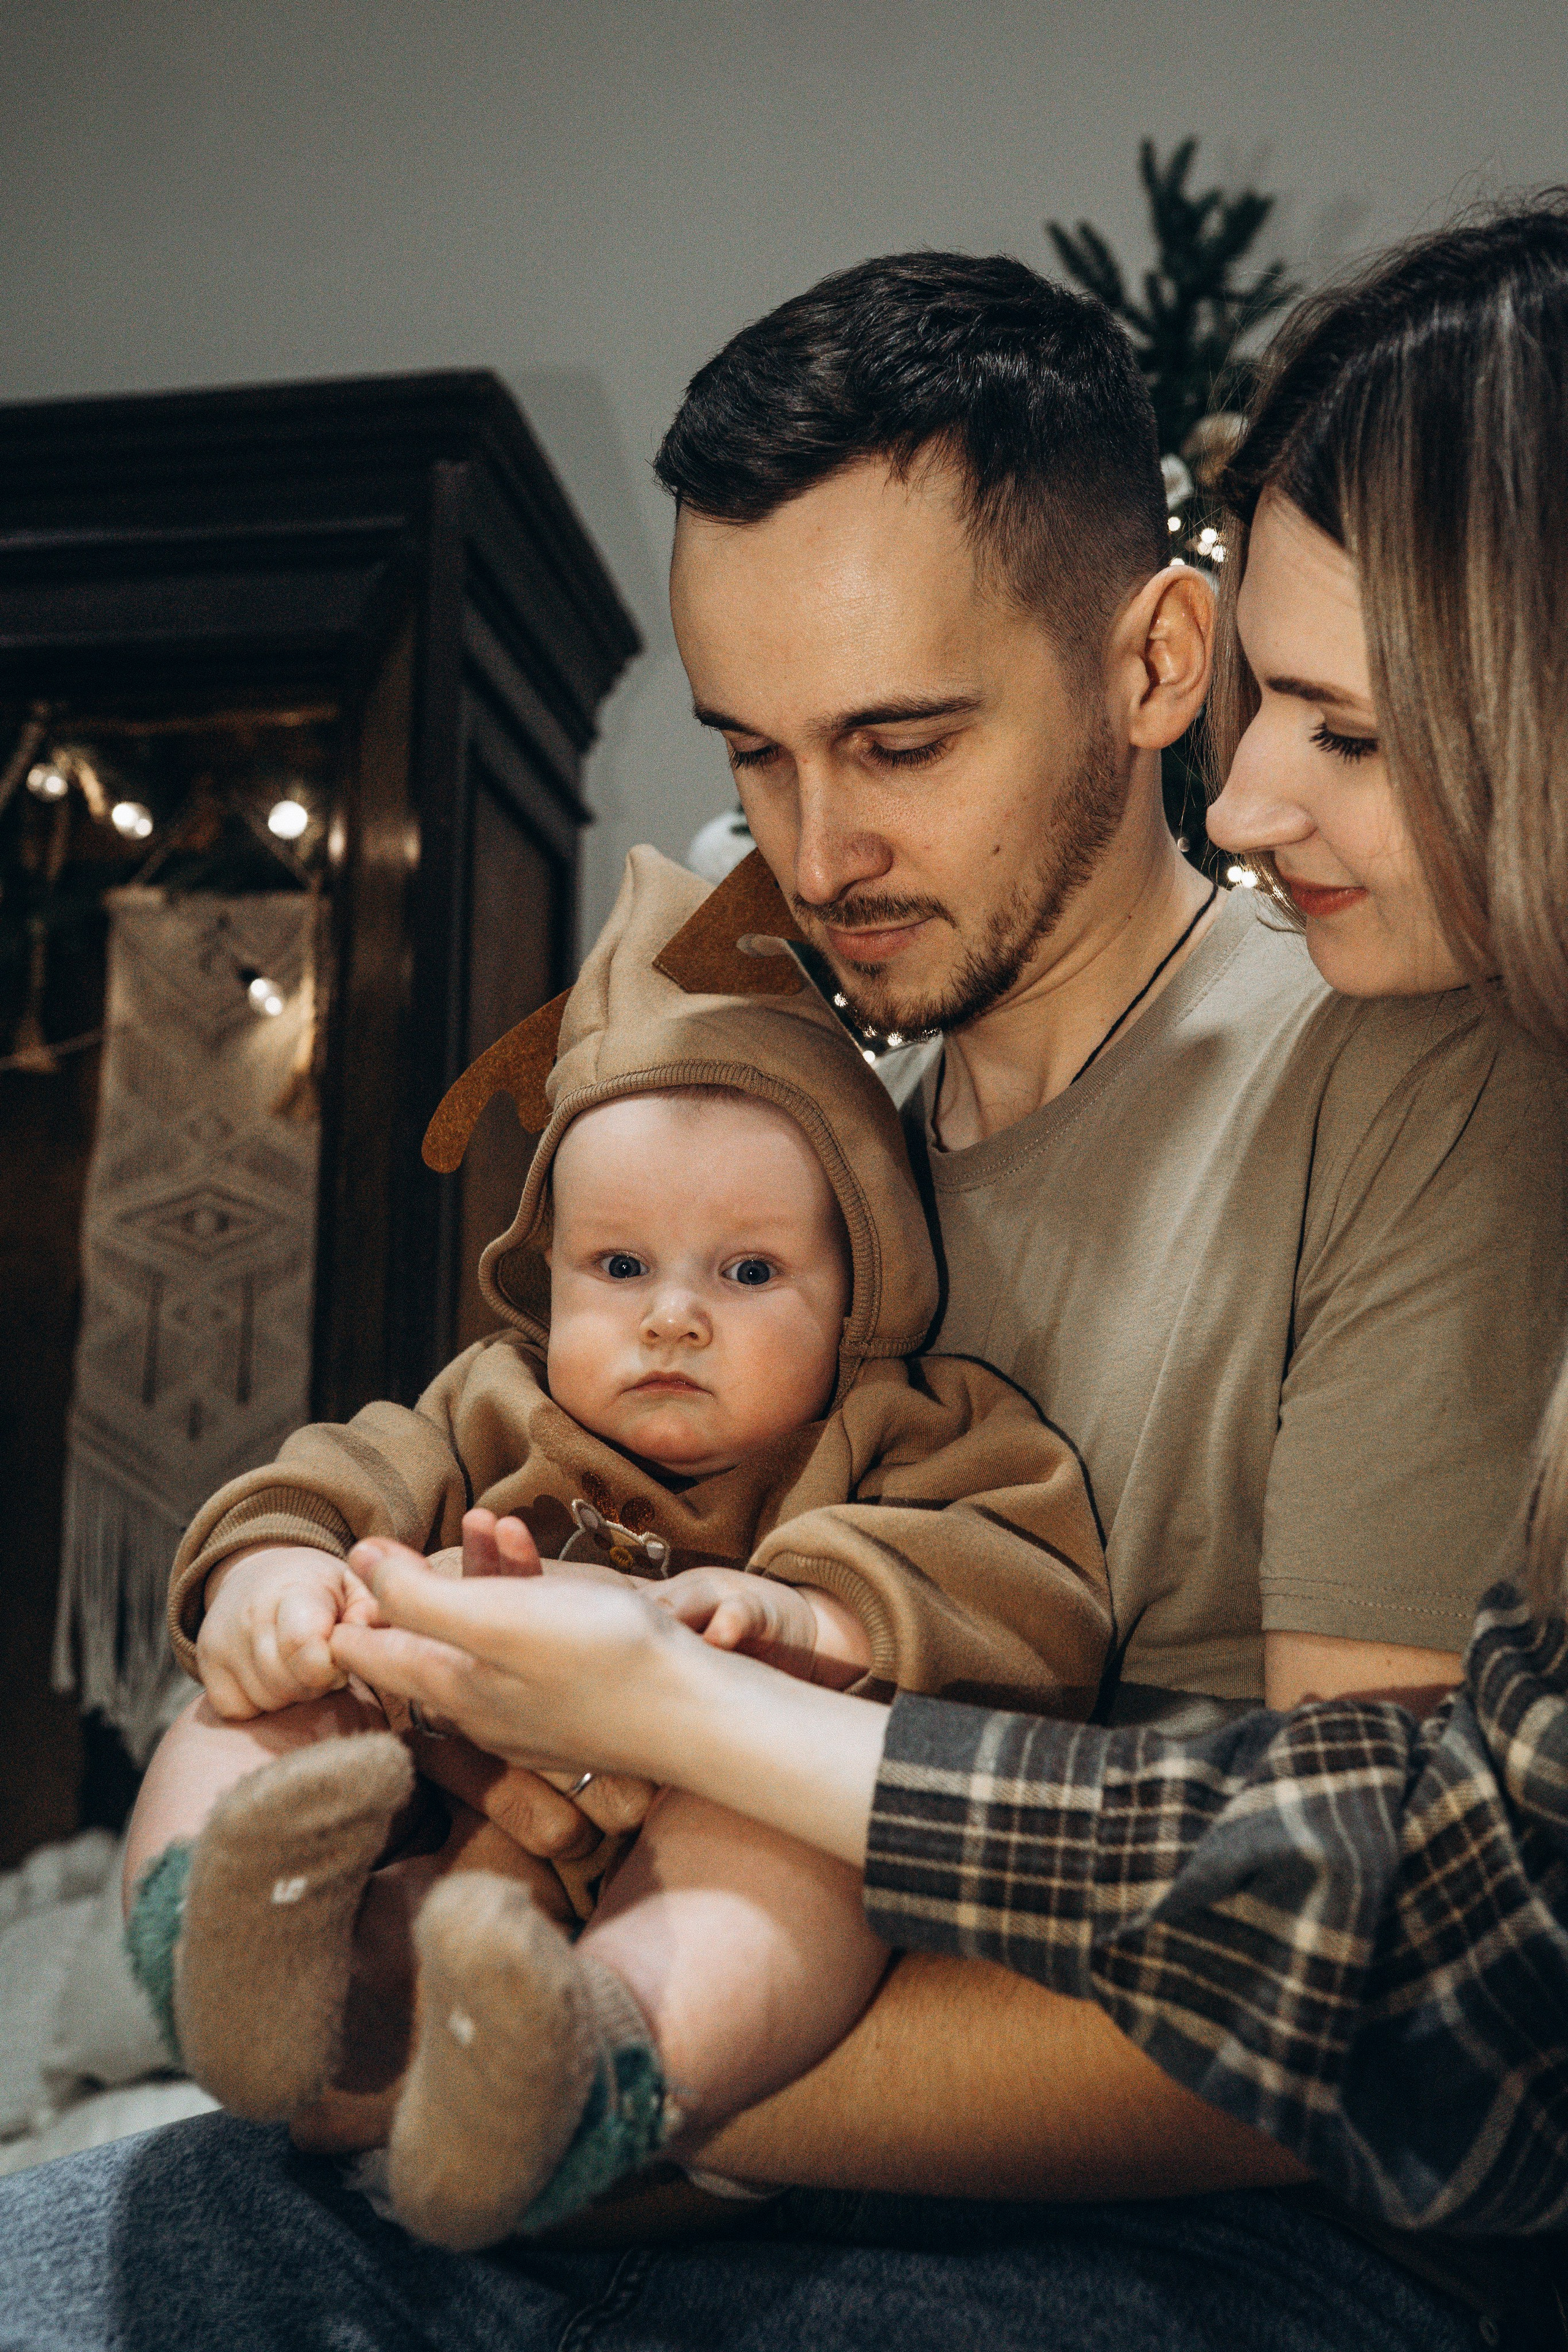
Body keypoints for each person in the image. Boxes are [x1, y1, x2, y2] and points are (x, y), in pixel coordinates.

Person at [2, 231, 1565, 2352]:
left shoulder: (1409, 1060)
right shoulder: (777, 1144)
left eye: (902, 745)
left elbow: (1384, 1983)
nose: (817, 856)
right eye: (754, 755)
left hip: (1148, 2230)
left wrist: (558, 2089)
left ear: (1158, 660)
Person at [123, 843, 1107, 2252]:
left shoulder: (908, 1429)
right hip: (436, 1824)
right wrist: (276, 1577)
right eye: (621, 1267)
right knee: (257, 1700)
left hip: (708, 1840)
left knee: (813, 1854)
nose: (671, 1319)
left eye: (749, 1271)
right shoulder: (493, 1402)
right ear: (550, 1273)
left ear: (864, 1289)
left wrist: (803, 1627)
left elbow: (1027, 1593)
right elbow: (333, 1475)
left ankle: (593, 2062)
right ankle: (229, 1927)